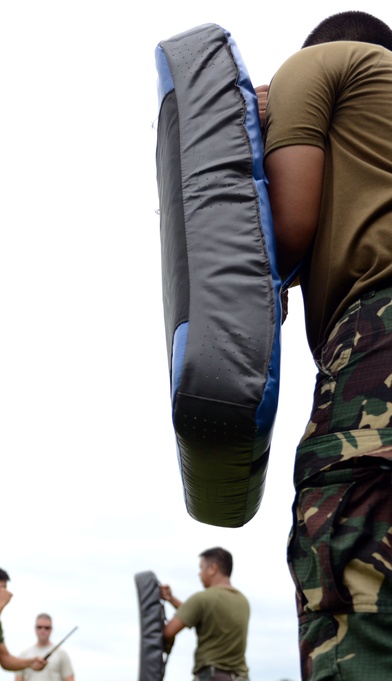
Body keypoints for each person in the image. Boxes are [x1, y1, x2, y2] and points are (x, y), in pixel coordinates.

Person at [260, 10, 392, 680]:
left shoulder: (322, 63)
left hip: (381, 340)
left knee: (358, 598)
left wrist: (269, 128)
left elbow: (290, 227)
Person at [160, 548, 249, 681]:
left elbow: (168, 632)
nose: (199, 574)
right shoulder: (243, 601)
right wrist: (171, 599)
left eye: (201, 568)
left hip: (212, 676)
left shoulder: (202, 599)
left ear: (213, 568)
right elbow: (202, 613)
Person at [13, 613, 74, 681]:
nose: (42, 631)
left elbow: (69, 679)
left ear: (51, 629)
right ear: (35, 628)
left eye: (46, 628)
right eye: (39, 627)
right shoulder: (24, 654)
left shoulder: (61, 654)